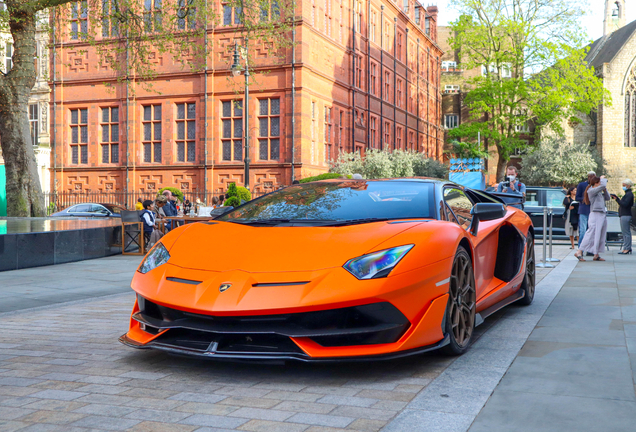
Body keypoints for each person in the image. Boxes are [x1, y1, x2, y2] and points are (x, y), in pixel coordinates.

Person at [574, 175, 611, 261]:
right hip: (595, 214)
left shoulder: (598, 191)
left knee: (599, 234)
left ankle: (596, 254)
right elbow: (603, 185)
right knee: (591, 233)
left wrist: (605, 190)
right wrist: (603, 180)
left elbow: (608, 198)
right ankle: (579, 251)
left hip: (601, 214)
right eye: (599, 182)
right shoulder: (591, 191)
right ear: (596, 183)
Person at [611, 179, 634, 254]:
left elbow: (624, 204)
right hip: (624, 214)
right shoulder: (628, 194)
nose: (623, 187)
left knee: (626, 232)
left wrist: (617, 199)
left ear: (628, 185)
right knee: (625, 232)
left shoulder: (629, 194)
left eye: (624, 185)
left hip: (626, 214)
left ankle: (627, 248)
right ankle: (626, 247)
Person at [576, 171, 596, 251]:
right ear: (588, 177)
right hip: (584, 210)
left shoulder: (595, 185)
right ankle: (581, 248)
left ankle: (589, 249)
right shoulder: (582, 185)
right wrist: (584, 199)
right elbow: (577, 198)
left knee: (591, 231)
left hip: (592, 211)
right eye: (590, 177)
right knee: (583, 231)